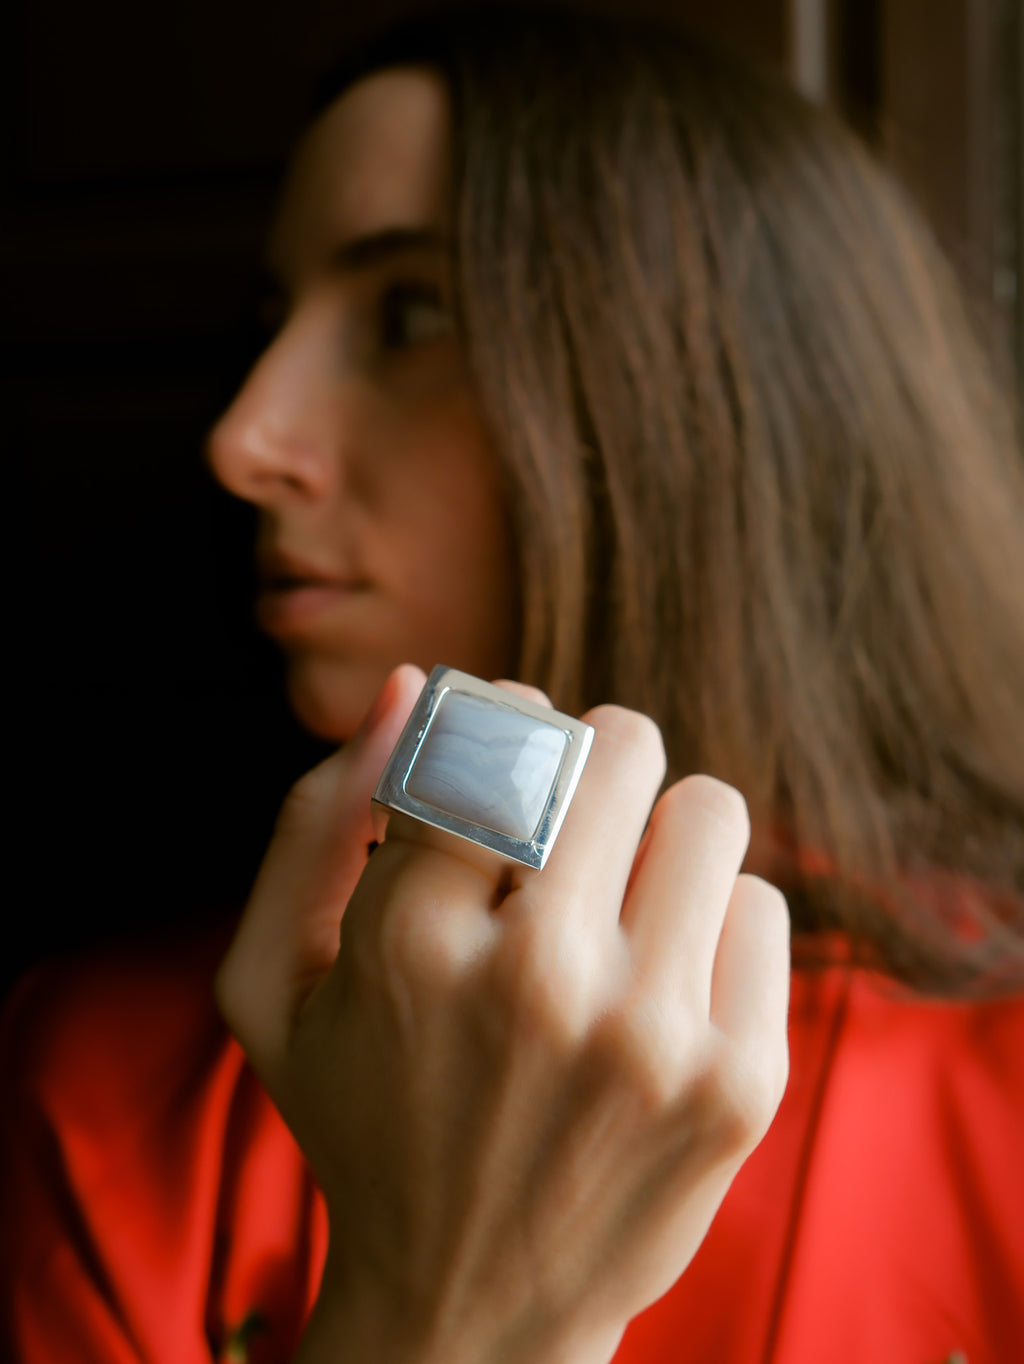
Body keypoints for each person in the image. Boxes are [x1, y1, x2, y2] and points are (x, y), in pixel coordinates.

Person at [4, 4, 1024, 1361]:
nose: (243, 438)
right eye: (274, 320)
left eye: (410, 312)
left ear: (718, 396)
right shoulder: (104, 1083)